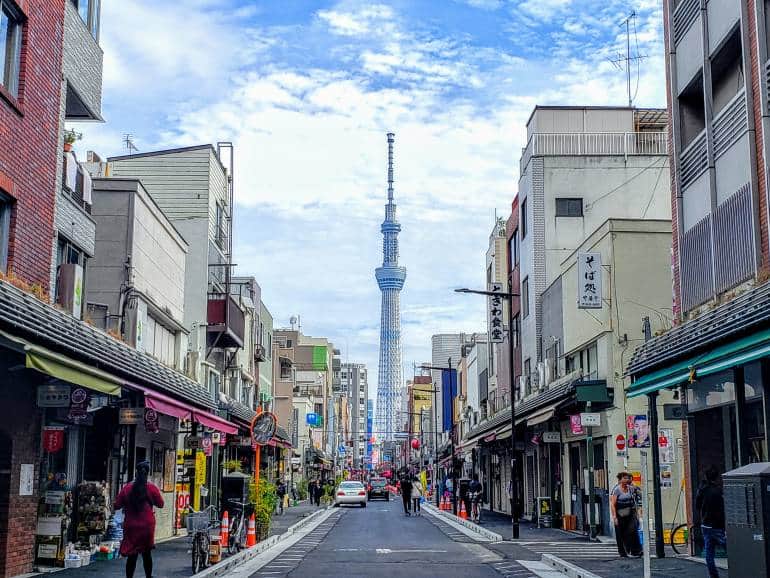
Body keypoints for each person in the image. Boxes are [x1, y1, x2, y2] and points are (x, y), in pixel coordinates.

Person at [114, 461, 164, 578]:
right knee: (147, 553)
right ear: (147, 473)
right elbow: (161, 504)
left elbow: (117, 505)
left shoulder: (127, 488)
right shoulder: (151, 488)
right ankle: (148, 576)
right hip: (147, 526)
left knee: (132, 555)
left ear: (136, 472)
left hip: (131, 526)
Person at [696, 466, 726, 578]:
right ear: (716, 478)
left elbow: (697, 506)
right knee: (729, 547)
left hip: (706, 524)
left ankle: (714, 576)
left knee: (709, 552)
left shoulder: (702, 490)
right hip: (717, 525)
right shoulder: (717, 491)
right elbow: (722, 510)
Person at [610, 471, 642, 558]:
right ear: (620, 480)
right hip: (620, 513)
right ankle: (623, 552)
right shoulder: (617, 489)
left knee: (632, 530)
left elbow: (638, 496)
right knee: (620, 533)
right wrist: (614, 517)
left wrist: (638, 513)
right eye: (624, 478)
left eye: (627, 478)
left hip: (630, 512)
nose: (626, 480)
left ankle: (636, 551)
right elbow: (613, 504)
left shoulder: (631, 488)